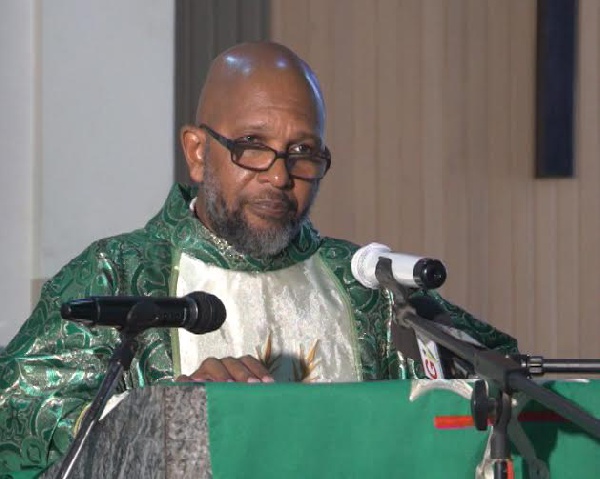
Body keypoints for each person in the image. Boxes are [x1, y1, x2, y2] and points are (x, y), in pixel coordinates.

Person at [0, 41, 517, 474]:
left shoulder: (369, 289)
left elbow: (507, 382)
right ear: (198, 150)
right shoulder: (119, 274)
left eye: (303, 152)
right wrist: (162, 408)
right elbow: (16, 415)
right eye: (253, 146)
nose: (278, 176)